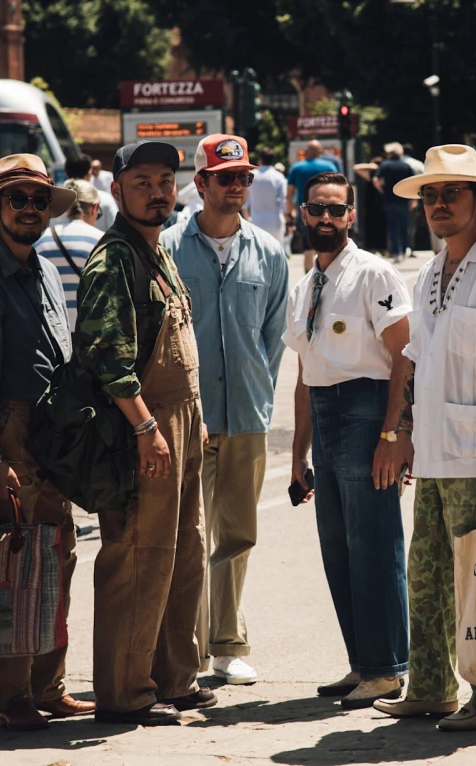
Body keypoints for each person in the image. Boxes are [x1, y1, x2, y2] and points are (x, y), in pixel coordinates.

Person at [372, 144, 476, 732]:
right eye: (430, 195)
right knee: (429, 578)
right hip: (437, 451)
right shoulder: (429, 273)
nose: (438, 204)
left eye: (451, 193)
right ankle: (431, 688)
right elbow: (415, 359)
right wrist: (402, 432)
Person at [77, 141, 212, 725]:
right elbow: (106, 354)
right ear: (116, 191)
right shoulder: (114, 258)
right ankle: (124, 691)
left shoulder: (157, 252)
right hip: (143, 427)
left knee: (183, 554)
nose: (157, 192)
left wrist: (194, 422)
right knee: (137, 558)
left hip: (181, 423)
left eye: (164, 182)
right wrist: (148, 427)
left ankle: (174, 679)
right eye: (142, 183)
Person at [0, 155, 94, 730]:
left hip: (48, 429)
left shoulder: (43, 268)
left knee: (56, 555)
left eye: (39, 200)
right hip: (4, 430)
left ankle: (48, 686)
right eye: (18, 200)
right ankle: (11, 696)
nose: (31, 210)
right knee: (10, 562)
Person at [160, 134, 289, 687]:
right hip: (185, 416)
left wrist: (257, 395)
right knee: (184, 536)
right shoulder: (168, 246)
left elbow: (273, 337)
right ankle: (182, 651)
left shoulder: (269, 251)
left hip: (245, 415)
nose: (236, 186)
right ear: (201, 183)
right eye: (225, 177)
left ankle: (227, 645)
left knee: (236, 535)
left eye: (243, 177)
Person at [284, 171, 412, 709]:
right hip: (324, 414)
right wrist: (297, 454)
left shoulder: (373, 274)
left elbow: (404, 356)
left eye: (336, 209)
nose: (326, 218)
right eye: (317, 209)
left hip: (366, 412)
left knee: (375, 544)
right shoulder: (305, 285)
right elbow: (304, 373)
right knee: (338, 550)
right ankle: (363, 662)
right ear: (302, 214)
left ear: (352, 216)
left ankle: (387, 669)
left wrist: (394, 433)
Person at [35, 180, 104, 328]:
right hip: (90, 329)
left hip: (52, 329)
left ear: (67, 209)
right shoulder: (102, 241)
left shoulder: (42, 239)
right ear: (94, 208)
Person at [287, 140, 337, 271]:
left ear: (306, 151)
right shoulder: (329, 166)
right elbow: (339, 190)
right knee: (325, 246)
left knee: (307, 247)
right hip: (327, 213)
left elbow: (289, 193)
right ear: (320, 152)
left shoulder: (296, 168)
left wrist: (289, 212)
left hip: (305, 212)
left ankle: (310, 279)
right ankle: (325, 276)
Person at [373, 143, 417, 263]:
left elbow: (375, 179)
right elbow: (412, 182)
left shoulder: (385, 165)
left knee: (392, 227)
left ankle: (396, 252)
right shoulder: (406, 165)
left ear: (390, 153)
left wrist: (382, 190)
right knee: (404, 227)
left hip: (390, 200)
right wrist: (413, 199)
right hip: (404, 200)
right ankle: (404, 250)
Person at [246, 147, 289, 250]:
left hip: (256, 220)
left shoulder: (252, 175)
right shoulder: (279, 177)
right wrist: (287, 218)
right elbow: (284, 200)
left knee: (256, 252)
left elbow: (245, 199)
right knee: (276, 251)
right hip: (275, 220)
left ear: (260, 160)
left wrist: (246, 217)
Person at [64, 153, 118, 231]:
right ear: (89, 172)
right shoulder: (105, 199)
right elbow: (115, 228)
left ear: (66, 173)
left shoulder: (55, 199)